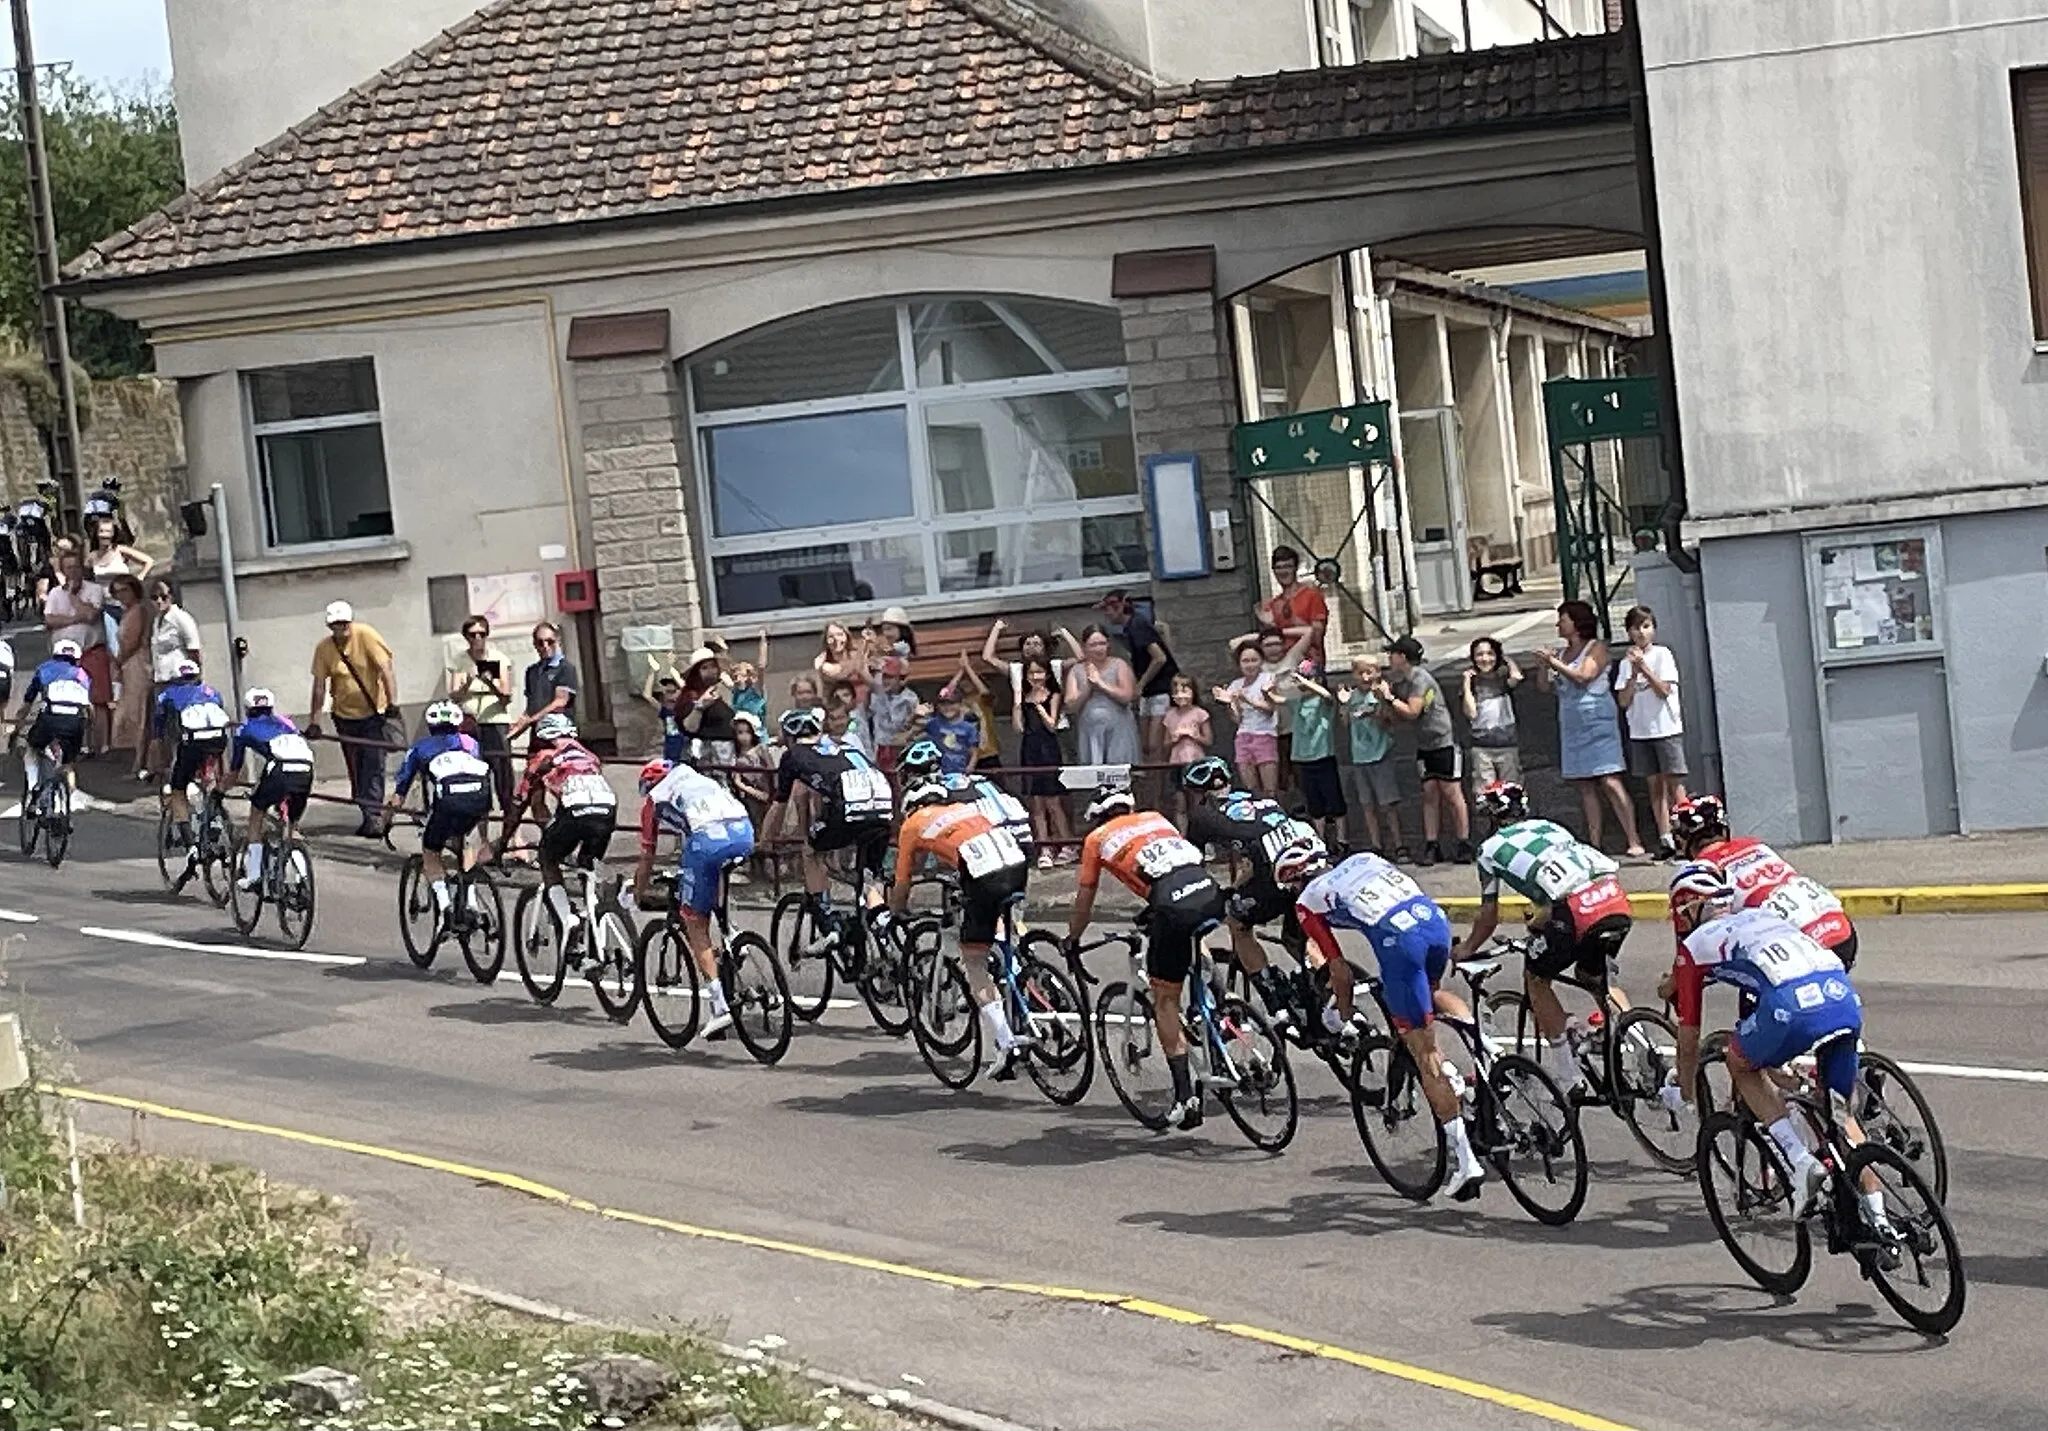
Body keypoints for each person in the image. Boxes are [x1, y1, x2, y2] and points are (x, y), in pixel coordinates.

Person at [1664, 865, 1877, 1220]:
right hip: (1842, 997)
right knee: (1841, 1116)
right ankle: (1881, 1220)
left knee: (1738, 1060)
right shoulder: (1761, 916)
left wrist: (1684, 1092)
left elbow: (1688, 1040)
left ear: (1687, 909)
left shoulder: (1694, 946)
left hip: (1792, 1006)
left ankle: (1798, 1160)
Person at [1293, 846, 1487, 1198]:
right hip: (1434, 923)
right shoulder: (1363, 857)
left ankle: (1466, 1161)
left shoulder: (1307, 901)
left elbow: (1339, 971)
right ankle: (1481, 1051)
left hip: (1400, 944)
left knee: (1425, 1055)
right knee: (1428, 997)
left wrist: (1344, 1013)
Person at [1456, 781, 1633, 1100]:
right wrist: (1540, 921)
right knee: (1596, 977)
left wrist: (1466, 949)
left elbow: (1489, 917)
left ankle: (1568, 1078)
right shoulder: (1550, 827)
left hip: (1575, 911)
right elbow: (1563, 887)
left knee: (1536, 980)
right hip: (1614, 898)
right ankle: (1639, 1042)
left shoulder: (1489, 850)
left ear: (1491, 819)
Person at [1063, 782, 1223, 1128]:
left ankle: (1185, 1099)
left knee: (1165, 999)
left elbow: (1084, 903)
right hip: (1207, 890)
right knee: (1190, 934)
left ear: (1098, 818)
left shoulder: (1096, 840)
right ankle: (1215, 1004)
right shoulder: (1155, 817)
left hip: (1172, 902)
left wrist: (1072, 940)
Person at [1181, 755, 1353, 1036]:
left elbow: (1193, 866)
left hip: (1274, 876)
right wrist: (1238, 887)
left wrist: (1211, 897)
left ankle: (1275, 1004)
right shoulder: (1256, 797)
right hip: (1304, 866)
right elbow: (1255, 856)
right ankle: (1327, 989)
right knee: (1298, 938)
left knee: (1237, 923)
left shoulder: (1202, 816)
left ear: (1195, 791)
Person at [882, 777, 1033, 1078]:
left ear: (910, 807)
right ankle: (1019, 970)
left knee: (974, 960)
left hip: (984, 876)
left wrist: (895, 913)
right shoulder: (964, 810)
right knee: (999, 928)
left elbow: (902, 883)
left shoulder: (912, 825)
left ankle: (1006, 1044)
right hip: (1017, 865)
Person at [634, 757, 755, 1036]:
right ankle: (733, 936)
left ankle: (719, 1007)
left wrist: (638, 893)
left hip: (706, 841)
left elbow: (647, 855)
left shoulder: (654, 799)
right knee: (714, 882)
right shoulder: (697, 778)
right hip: (743, 831)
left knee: (695, 921)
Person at [1671, 795, 1857, 967]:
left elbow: (1691, 947)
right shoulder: (1757, 847)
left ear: (1682, 840)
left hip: (1797, 950)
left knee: (1752, 977)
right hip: (1842, 933)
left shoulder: (1699, 871)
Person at [764, 705, 893, 928]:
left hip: (847, 810)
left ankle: (827, 921)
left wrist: (765, 840)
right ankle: (883, 927)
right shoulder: (847, 749)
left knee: (811, 852)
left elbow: (782, 803)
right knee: (870, 874)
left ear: (788, 737)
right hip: (882, 808)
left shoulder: (793, 755)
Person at [1537, 600, 1644, 858]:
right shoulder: (1561, 654)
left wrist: (1554, 664)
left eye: (1563, 619)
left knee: (1610, 779)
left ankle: (1633, 838)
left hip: (1597, 722)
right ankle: (1595, 842)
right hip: (1572, 723)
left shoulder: (1596, 648)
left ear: (1576, 622)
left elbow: (1584, 677)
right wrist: (1544, 666)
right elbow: (1544, 687)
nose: (1558, 624)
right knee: (1584, 785)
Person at [505, 713, 618, 940]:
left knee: (548, 858)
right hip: (607, 811)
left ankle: (569, 920)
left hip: (575, 813)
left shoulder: (544, 758)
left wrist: (503, 841)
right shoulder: (590, 757)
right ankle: (593, 920)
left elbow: (520, 802)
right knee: (588, 866)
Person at [387, 701, 494, 921]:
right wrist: (484, 836)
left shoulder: (419, 749)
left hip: (446, 804)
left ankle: (445, 908)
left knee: (431, 852)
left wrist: (386, 820)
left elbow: (399, 795)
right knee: (464, 842)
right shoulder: (471, 744)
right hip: (478, 800)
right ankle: (471, 901)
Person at [307, 601, 399, 837]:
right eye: (336, 625)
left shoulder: (366, 635)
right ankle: (366, 811)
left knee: (373, 763)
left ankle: (374, 815)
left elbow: (386, 669)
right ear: (330, 626)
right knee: (356, 767)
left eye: (345, 623)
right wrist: (315, 721)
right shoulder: (324, 649)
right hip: (344, 715)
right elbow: (319, 686)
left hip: (372, 713)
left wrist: (392, 705)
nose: (341, 629)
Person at [1382, 635, 1469, 866]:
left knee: (1451, 792)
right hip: (1424, 745)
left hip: (1443, 742)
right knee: (1429, 792)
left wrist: (1389, 698)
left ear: (1402, 657)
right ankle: (1432, 844)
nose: (1389, 658)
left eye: (1392, 654)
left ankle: (1463, 843)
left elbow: (1412, 711)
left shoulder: (1420, 679)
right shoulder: (1405, 681)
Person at [1613, 605, 1688, 858]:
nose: (1641, 633)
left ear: (1653, 629)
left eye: (1646, 626)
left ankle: (1687, 833)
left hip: (1665, 727)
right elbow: (1623, 700)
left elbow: (1664, 689)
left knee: (1674, 783)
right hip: (1641, 731)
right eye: (1636, 628)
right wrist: (1633, 674)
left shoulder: (1662, 655)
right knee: (1654, 785)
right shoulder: (1625, 664)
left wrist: (1644, 668)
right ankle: (1665, 837)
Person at [227, 689, 317, 890]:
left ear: (248, 709)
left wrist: (221, 790)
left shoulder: (245, 729)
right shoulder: (287, 723)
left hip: (280, 769)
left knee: (257, 812)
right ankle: (303, 878)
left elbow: (234, 770)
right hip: (306, 769)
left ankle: (253, 874)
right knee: (291, 826)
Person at [152, 658, 231, 876]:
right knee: (208, 775)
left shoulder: (167, 695)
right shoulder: (213, 692)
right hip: (218, 740)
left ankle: (191, 846)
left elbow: (158, 735)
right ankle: (214, 817)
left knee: (178, 790)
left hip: (192, 742)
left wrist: (158, 765)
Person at [446, 616, 518, 846]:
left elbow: (507, 697)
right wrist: (466, 685)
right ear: (466, 637)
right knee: (477, 779)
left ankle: (514, 837)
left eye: (481, 634)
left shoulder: (498, 659)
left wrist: (490, 683)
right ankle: (484, 839)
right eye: (472, 634)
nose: (477, 639)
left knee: (504, 780)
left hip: (495, 721)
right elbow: (454, 695)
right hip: (470, 723)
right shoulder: (460, 660)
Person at [1096, 589, 1178, 783]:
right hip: (1150, 692)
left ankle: (1158, 796)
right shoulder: (1132, 627)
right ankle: (1153, 792)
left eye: (1108, 610)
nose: (1106, 615)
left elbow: (1159, 658)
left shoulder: (1137, 625)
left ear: (1118, 608)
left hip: (1160, 689)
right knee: (1147, 747)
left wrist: (1140, 684)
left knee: (1155, 746)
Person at [1339, 654, 1405, 859]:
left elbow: (1388, 722)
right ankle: (1376, 844)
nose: (1365, 677)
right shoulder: (1352, 697)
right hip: (1359, 757)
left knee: (1388, 805)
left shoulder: (1381, 693)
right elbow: (1345, 724)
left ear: (1378, 673)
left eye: (1370, 672)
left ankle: (1399, 844)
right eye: (1360, 673)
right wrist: (1343, 705)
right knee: (1367, 805)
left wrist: (1380, 703)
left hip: (1381, 754)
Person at [43, 550, 107, 757]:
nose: (73, 572)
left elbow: (90, 615)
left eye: (76, 567)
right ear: (62, 570)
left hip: (90, 651)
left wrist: (72, 596)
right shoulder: (54, 593)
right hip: (64, 659)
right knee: (69, 702)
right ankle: (77, 745)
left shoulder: (95, 590)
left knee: (97, 701)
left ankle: (101, 746)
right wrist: (73, 619)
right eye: (68, 568)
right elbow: (50, 621)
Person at [1013, 654, 1071, 868]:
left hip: (1048, 749)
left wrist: (1038, 706)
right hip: (1029, 750)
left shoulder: (1053, 694)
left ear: (1046, 674)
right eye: (1031, 673)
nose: (1035, 676)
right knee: (1036, 802)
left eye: (1039, 672)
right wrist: (1018, 703)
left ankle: (1066, 844)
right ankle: (1044, 847)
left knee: (1053, 801)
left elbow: (1052, 725)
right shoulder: (1024, 697)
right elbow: (1018, 728)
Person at [15, 638, 90, 797]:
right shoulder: (82, 674)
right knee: (68, 764)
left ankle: (33, 787)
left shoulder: (43, 670)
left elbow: (27, 703)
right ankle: (69, 803)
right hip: (74, 723)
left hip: (49, 719)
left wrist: (18, 725)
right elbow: (90, 707)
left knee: (32, 748)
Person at [144, 580, 202, 782]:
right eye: (154, 597)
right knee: (165, 728)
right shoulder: (157, 620)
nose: (159, 601)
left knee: (182, 727)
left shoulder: (181, 618)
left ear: (172, 596)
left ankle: (188, 771)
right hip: (162, 681)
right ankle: (171, 769)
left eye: (163, 596)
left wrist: (196, 679)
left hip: (180, 681)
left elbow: (194, 650)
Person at [1287, 659, 1345, 850]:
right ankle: (1320, 841)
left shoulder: (1323, 701)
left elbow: (1327, 695)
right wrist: (1267, 692)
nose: (1303, 683)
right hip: (1304, 759)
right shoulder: (1298, 701)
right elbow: (1279, 701)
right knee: (1314, 804)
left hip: (1323, 757)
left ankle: (1342, 840)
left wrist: (1307, 682)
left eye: (1308, 677)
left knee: (1334, 801)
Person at [1064, 626, 1140, 768]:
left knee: (1118, 773)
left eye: (1102, 644)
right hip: (1090, 730)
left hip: (1118, 729)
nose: (1099, 649)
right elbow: (1071, 705)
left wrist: (1101, 684)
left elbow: (1127, 696)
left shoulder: (1119, 664)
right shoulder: (1076, 670)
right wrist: (1088, 688)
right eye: (1093, 645)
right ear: (1084, 647)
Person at [1216, 640, 1280, 794]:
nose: (1250, 665)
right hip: (1243, 737)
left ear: (1261, 661)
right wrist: (1229, 703)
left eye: (1254, 660)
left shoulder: (1268, 679)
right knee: (1251, 790)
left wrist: (1247, 700)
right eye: (1245, 661)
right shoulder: (1235, 685)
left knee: (1270, 790)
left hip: (1265, 735)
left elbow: (1270, 709)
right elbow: (1237, 719)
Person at [1462, 638, 1523, 796]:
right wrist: (1466, 684)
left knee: (1512, 791)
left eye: (1490, 654)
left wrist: (1507, 660)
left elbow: (1517, 677)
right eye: (1479, 655)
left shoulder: (1502, 678)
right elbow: (1471, 712)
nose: (1485, 659)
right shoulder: (1473, 682)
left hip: (1507, 744)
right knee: (1486, 795)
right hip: (1481, 747)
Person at [1257, 544, 1329, 673]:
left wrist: (1284, 627)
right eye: (1279, 567)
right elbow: (1271, 640)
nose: (1283, 571)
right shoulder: (1273, 604)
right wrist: (1269, 625)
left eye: (1288, 566)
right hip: (1282, 665)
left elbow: (1317, 635)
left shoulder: (1312, 595)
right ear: (1273, 571)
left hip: (1308, 662)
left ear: (1295, 568)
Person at [108, 574, 153, 780]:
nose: (121, 595)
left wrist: (118, 661)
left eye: (125, 590)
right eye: (117, 591)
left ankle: (143, 764)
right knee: (133, 714)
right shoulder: (127, 612)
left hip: (136, 663)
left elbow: (131, 642)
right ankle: (139, 763)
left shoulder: (137, 611)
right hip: (129, 664)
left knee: (138, 713)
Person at [509, 621, 579, 742]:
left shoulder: (565, 668)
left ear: (557, 641)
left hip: (560, 734)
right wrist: (517, 727)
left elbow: (560, 702)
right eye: (540, 643)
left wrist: (532, 719)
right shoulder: (531, 672)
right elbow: (531, 707)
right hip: (537, 734)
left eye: (550, 642)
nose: (545, 646)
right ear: (535, 645)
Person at [676, 646, 739, 775]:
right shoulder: (690, 695)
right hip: (707, 756)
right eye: (705, 668)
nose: (711, 671)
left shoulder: (722, 689)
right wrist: (700, 706)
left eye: (713, 666)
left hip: (730, 752)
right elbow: (689, 727)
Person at [1161, 673, 1211, 829]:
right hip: (1177, 763)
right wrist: (1174, 739)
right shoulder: (1169, 715)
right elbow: (1165, 744)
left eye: (1185, 689)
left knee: (1198, 800)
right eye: (1176, 690)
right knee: (1180, 801)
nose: (1180, 694)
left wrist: (1194, 736)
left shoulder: (1200, 713)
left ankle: (1201, 835)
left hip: (1196, 762)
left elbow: (1208, 740)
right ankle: (1183, 834)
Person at [863, 655, 919, 774]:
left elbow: (914, 727)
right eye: (884, 677)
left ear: (900, 679)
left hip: (900, 748)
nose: (886, 681)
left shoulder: (910, 699)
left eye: (890, 677)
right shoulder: (877, 695)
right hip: (880, 748)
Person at [924, 681, 981, 776]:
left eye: (952, 703)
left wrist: (971, 767)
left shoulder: (969, 728)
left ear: (961, 704)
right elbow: (914, 730)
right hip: (937, 771)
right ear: (937, 706)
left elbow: (974, 751)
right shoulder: (932, 723)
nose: (947, 708)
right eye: (943, 704)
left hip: (961, 770)